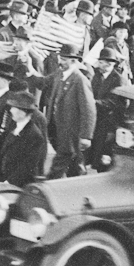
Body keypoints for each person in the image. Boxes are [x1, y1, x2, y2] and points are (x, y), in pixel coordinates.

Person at [45, 43, 96, 178]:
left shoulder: (80, 80)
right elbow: (43, 82)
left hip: (72, 131)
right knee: (74, 164)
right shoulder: (59, 74)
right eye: (60, 58)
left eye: (64, 59)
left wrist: (86, 136)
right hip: (58, 128)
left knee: (61, 163)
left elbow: (89, 110)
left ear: (74, 61)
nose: (60, 62)